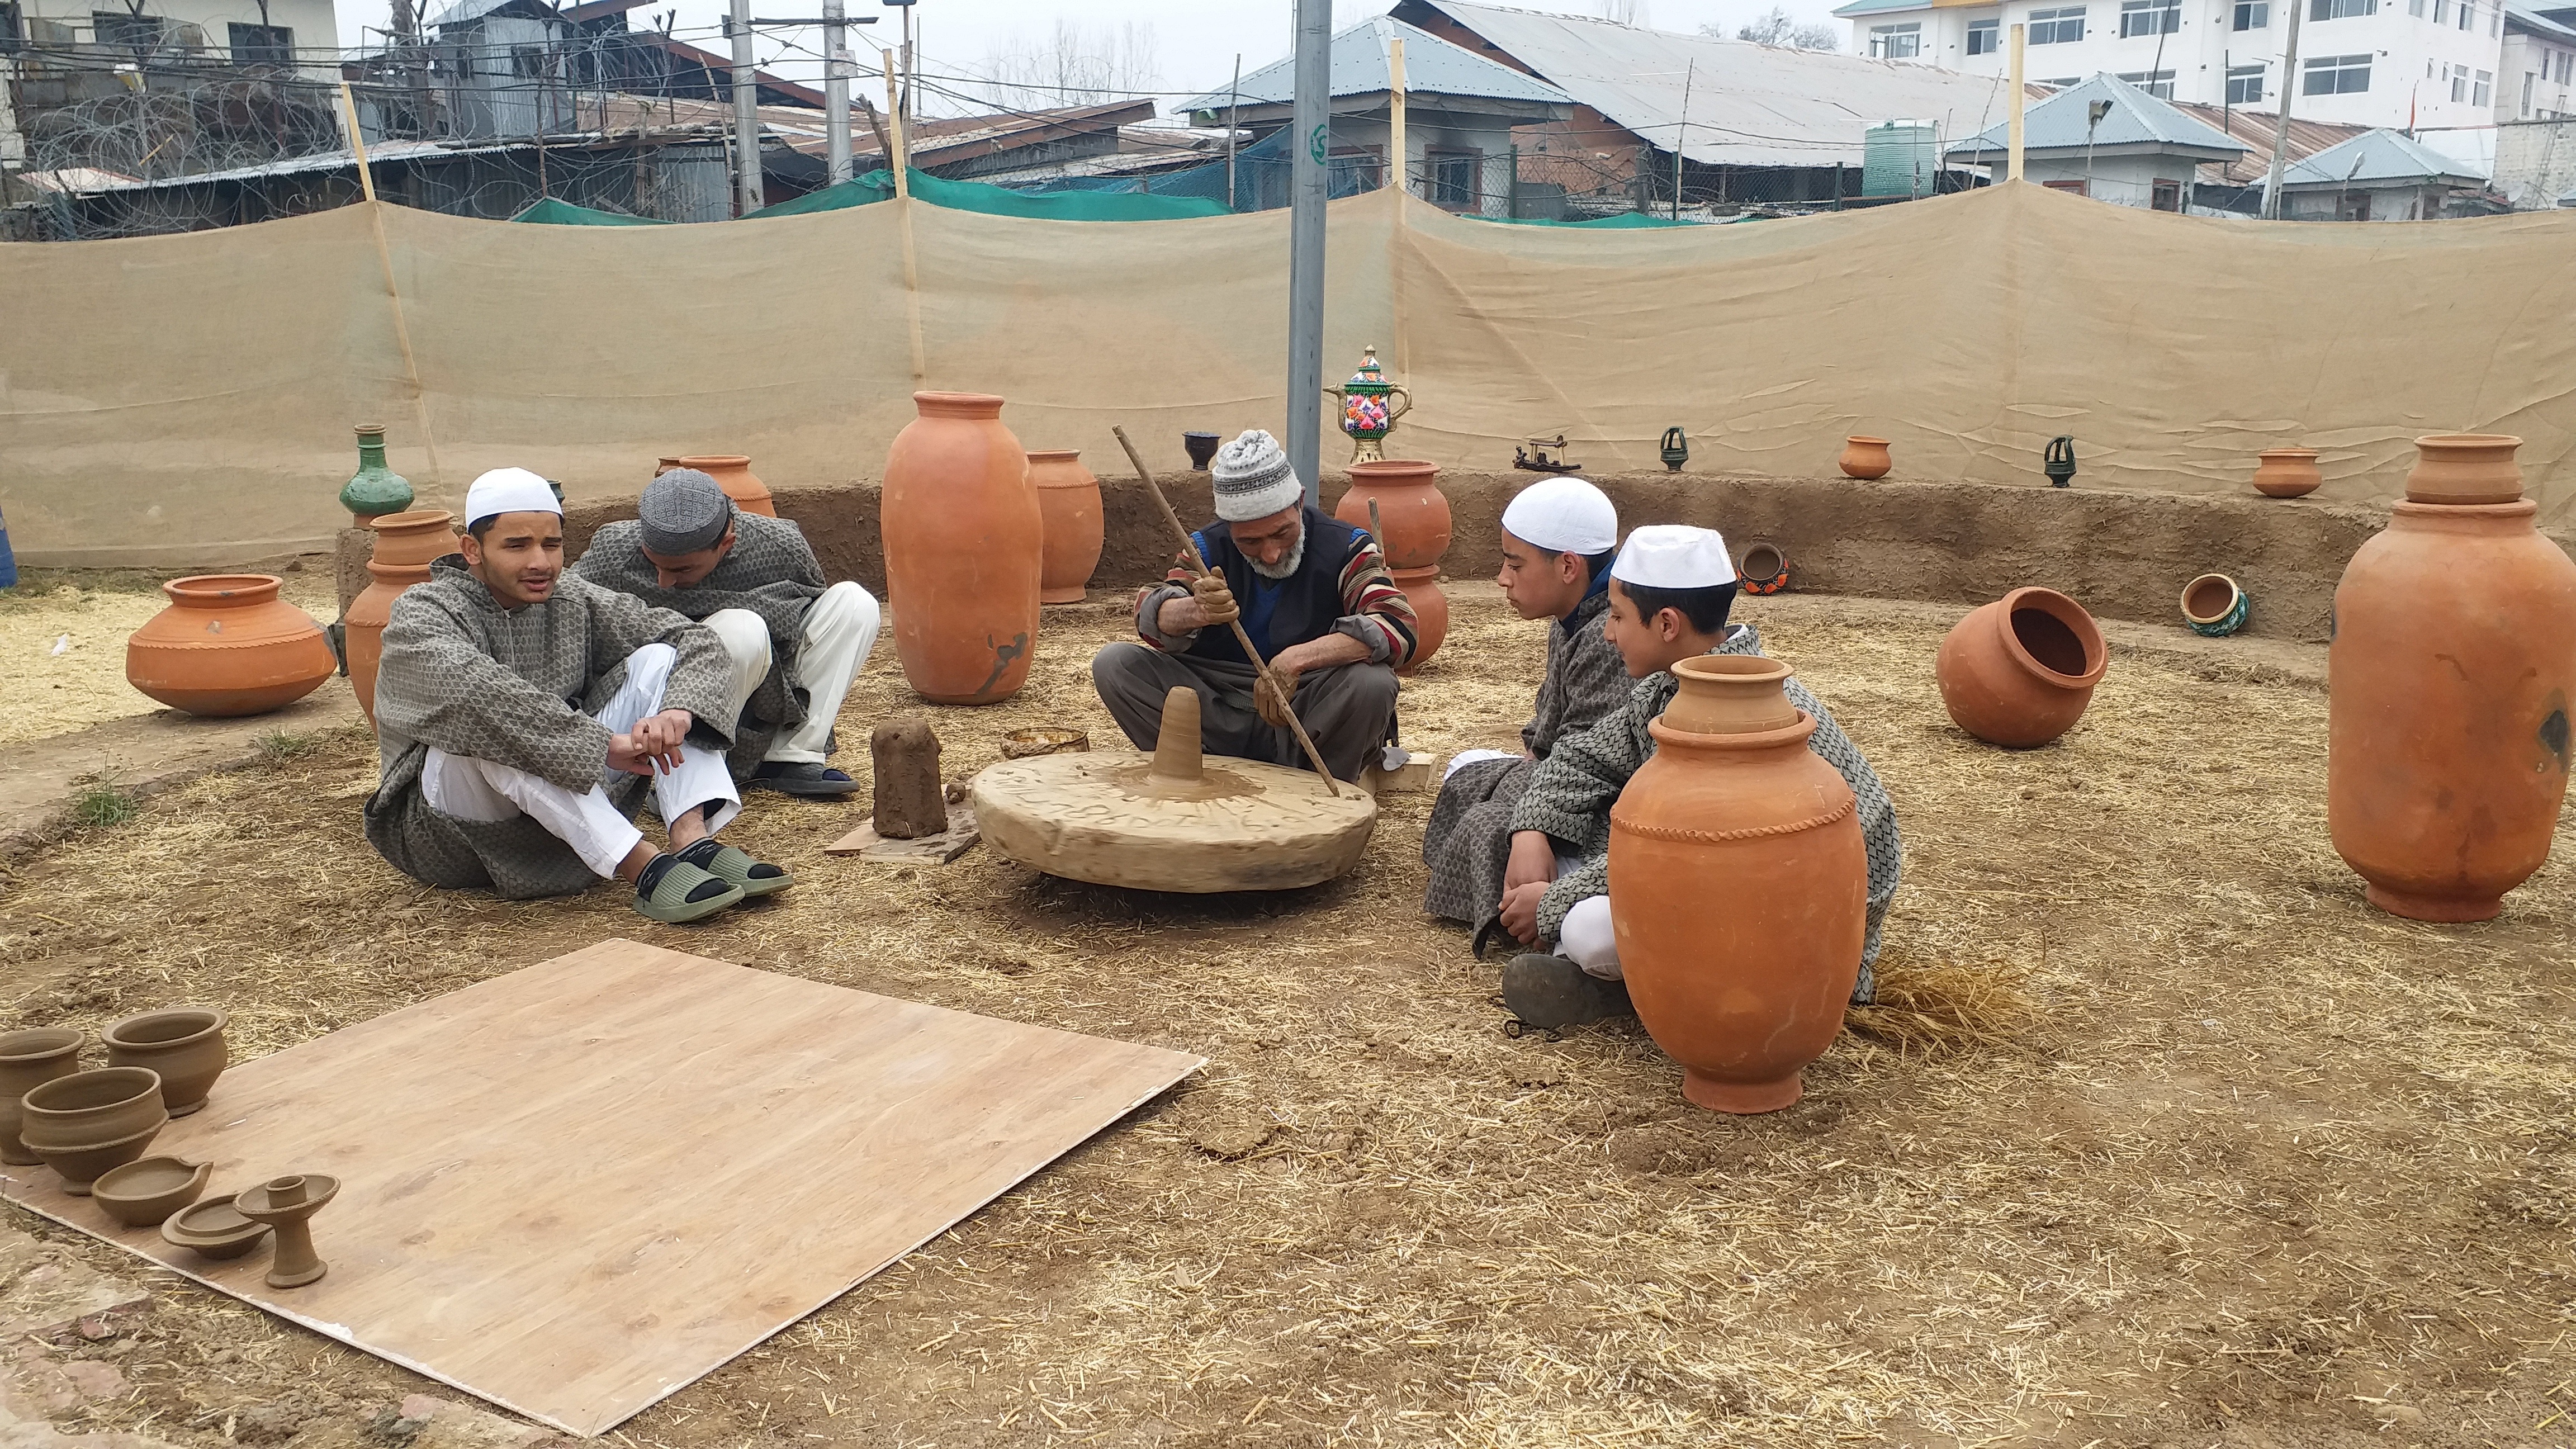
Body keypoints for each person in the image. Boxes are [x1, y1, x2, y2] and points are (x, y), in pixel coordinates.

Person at [1495, 524, 1902, 1029]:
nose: (1606, 632)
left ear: (1667, 624)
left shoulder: (1750, 718)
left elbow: (1697, 855)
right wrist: (1532, 831)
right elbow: (1580, 758)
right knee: (1545, 845)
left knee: (1588, 928)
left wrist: (1553, 902)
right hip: (1709, 879)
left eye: (1618, 617)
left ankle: (1648, 994)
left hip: (1786, 923)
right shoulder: (1665, 689)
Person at [364, 467, 793, 924]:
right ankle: (642, 866)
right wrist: (603, 746)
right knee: (486, 726)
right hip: (448, 834)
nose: (540, 563)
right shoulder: (422, 613)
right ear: (473, 550)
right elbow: (474, 693)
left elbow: (694, 640)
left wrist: (677, 712)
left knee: (659, 659)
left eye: (551, 545)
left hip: (563, 806)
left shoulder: (572, 598)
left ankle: (692, 837)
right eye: (517, 545)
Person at [1091, 429, 1415, 782]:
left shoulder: (1347, 548)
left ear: (1299, 501)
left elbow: (1397, 624)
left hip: (1307, 705)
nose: (1271, 553)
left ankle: (1316, 793)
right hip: (1216, 704)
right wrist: (1195, 611)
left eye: (1282, 533)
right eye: (1250, 541)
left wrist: (1296, 660)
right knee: (1116, 664)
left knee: (1371, 684)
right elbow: (1151, 613)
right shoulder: (1205, 548)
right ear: (1229, 527)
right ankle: (1195, 773)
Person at [568, 469, 881, 798]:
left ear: (727, 544)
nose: (663, 582)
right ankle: (679, 782)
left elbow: (805, 625)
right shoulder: (614, 551)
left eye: (681, 569)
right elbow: (570, 617)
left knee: (854, 603)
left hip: (760, 680)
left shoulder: (780, 546)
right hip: (661, 698)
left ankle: (789, 756)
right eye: (653, 564)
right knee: (741, 628)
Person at [1420, 476, 1630, 946]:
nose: (1502, 578)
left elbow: (1585, 762)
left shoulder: (1611, 635)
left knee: (1490, 823)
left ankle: (1536, 915)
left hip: (1592, 804)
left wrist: (1529, 810)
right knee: (1466, 767)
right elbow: (1548, 733)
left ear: (1569, 567)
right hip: (1557, 775)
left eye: (1515, 564)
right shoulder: (1572, 614)